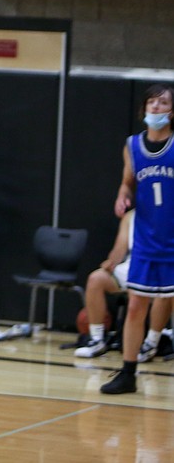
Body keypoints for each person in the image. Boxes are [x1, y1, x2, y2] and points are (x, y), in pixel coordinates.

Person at [100, 84, 174, 395]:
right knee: (134, 307)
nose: (156, 107)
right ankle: (128, 372)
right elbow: (127, 183)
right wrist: (122, 197)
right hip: (145, 240)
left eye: (164, 102)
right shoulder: (132, 145)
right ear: (144, 108)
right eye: (152, 102)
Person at [74, 208, 173, 361]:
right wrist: (111, 261)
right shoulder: (131, 216)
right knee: (96, 279)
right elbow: (120, 247)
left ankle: (151, 343)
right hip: (132, 266)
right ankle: (97, 340)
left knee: (166, 292)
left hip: (161, 266)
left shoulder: (167, 213)